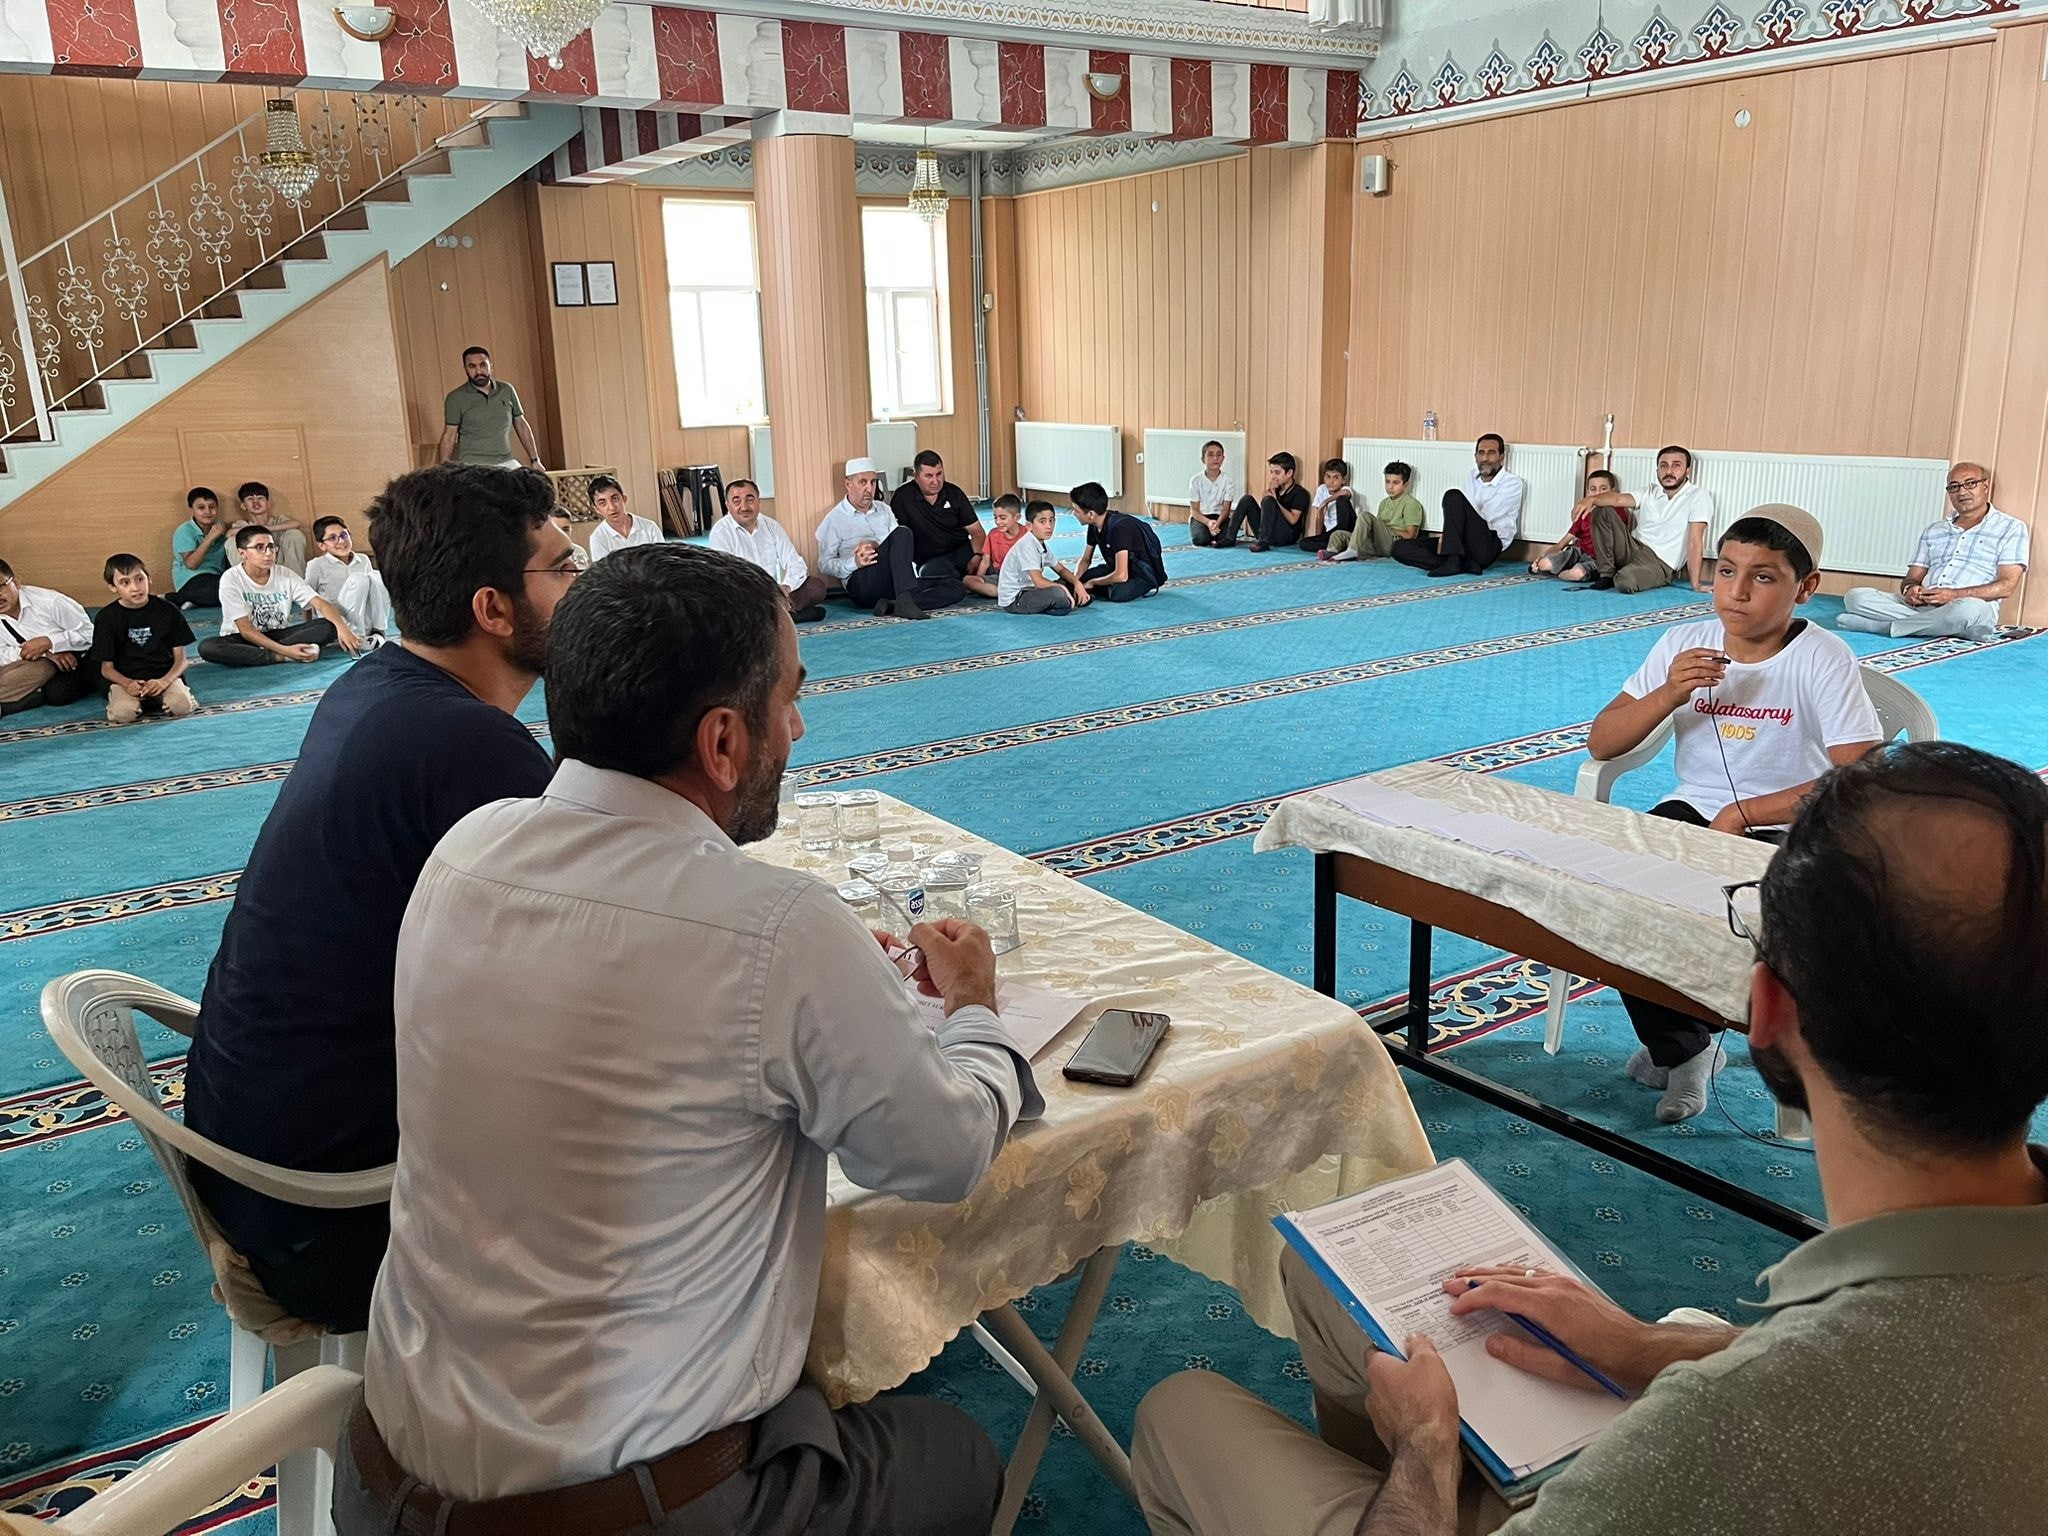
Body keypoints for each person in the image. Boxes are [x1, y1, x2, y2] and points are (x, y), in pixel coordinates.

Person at [1132, 741, 2048, 1536]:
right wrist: (1649, 1348)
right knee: (1325, 1276)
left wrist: (1424, 1451)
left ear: (1767, 1009)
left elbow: (1798, 1413)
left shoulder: (1736, 1428)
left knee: (1181, 1413)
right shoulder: (1847, 1364)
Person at [339, 543, 1042, 1536]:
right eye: (789, 699)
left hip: (382, 1484)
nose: (798, 728)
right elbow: (942, 1153)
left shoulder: (464, 849)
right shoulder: (776, 928)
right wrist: (972, 1007)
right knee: (956, 1451)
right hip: (617, 1515)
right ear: (722, 741)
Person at [183, 465, 575, 1332]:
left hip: (250, 1159)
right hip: (339, 1214)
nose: (583, 584)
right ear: (493, 608)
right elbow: (587, 973)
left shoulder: (376, 684)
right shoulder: (467, 745)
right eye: (563, 566)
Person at [1589, 504, 1881, 1121]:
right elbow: (1603, 743)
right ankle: (1687, 1047)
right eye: (1726, 571)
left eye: (1763, 576)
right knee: (1615, 890)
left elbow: (1860, 776)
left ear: (1806, 587)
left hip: (1793, 826)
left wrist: (1745, 813)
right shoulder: (1682, 643)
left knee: (1733, 913)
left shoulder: (1822, 656)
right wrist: (1669, 692)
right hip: (1695, 808)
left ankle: (1690, 1041)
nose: (1738, 592)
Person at [1839, 462, 2028, 643]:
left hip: (1968, 605)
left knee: (1966, 611)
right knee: (1855, 597)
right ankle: (1946, 628)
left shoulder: (2011, 528)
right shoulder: (1934, 530)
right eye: (1954, 487)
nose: (1962, 492)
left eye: (1970, 483)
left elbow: (2006, 586)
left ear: (1985, 486)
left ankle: (1883, 627)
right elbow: (1912, 578)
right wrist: (1910, 590)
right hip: (1923, 605)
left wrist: (1953, 595)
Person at [197, 525, 359, 667]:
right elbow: (245, 629)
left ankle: (262, 654)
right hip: (241, 638)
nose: (268, 553)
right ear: (242, 553)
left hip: (279, 634)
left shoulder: (284, 574)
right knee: (208, 647)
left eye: (271, 547)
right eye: (259, 547)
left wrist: (342, 628)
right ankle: (279, 656)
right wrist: (285, 651)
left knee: (328, 625)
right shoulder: (231, 578)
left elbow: (321, 603)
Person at [818, 457, 952, 620]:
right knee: (903, 532)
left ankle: (893, 604)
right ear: (848, 484)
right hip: (862, 583)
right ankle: (904, 601)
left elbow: (898, 550)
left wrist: (876, 545)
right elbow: (824, 564)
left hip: (893, 582)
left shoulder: (884, 510)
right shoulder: (835, 519)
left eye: (873, 482)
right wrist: (855, 562)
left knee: (954, 586)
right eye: (863, 482)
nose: (869, 489)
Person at [1567, 446, 1714, 593]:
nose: (1669, 472)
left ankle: (1615, 573)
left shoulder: (1698, 496)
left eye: (1676, 465)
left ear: (1687, 470)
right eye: (1663, 466)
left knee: (1624, 581)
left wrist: (1696, 584)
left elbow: (1695, 541)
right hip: (1633, 547)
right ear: (1657, 470)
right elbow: (1617, 499)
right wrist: (1591, 499)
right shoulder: (1650, 490)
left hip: (1659, 563)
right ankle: (1606, 574)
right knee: (1602, 510)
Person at [1393, 435, 1524, 577]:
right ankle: (1462, 563)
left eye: (1491, 453)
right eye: (1481, 453)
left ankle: (1453, 560)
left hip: (1487, 545)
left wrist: (1451, 535)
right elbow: (1461, 514)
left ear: (1501, 457)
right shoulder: (1472, 476)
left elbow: (1485, 515)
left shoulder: (1512, 483)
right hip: (1462, 544)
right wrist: (1449, 537)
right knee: (1399, 548)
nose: (1485, 458)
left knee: (1452, 496)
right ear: (1475, 457)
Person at [91, 554, 198, 724]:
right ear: (112, 587)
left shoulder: (167, 610)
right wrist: (127, 683)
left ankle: (165, 697)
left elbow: (181, 660)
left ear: (149, 579)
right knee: (123, 715)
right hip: (126, 680)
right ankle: (136, 701)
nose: (135, 588)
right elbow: (106, 669)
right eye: (125, 583)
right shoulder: (106, 617)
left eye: (139, 579)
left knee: (181, 707)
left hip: (164, 676)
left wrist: (164, 681)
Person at [707, 478, 828, 623]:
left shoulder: (772, 526)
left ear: (759, 502)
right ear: (728, 505)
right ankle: (786, 616)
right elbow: (726, 577)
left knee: (816, 587)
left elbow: (795, 562)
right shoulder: (721, 532)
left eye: (750, 500)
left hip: (773, 593)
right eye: (736, 501)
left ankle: (772, 616)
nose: (744, 507)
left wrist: (785, 588)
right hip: (743, 593)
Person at [0, 556, 97, 715]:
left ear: (16, 582)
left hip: (75, 658)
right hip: (28, 662)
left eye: (0, 587)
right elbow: (2, 654)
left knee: (57, 693)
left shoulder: (50, 601)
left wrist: (50, 642)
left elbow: (90, 634)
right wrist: (42, 652)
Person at [889, 449, 989, 596]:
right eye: (929, 476)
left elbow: (977, 532)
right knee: (932, 574)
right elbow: (898, 538)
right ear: (916, 476)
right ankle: (967, 584)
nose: (935, 482)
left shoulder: (954, 493)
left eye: (939, 474)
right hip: (931, 560)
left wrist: (977, 555)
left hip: (963, 551)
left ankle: (968, 583)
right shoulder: (903, 498)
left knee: (993, 563)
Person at [439, 345, 544, 470]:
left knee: (528, 480)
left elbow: (521, 425)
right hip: (472, 465)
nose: (478, 371)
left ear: (491, 366)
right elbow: (449, 436)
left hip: (506, 461)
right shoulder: (456, 398)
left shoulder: (507, 390)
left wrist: (535, 460)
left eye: (483, 365)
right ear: (465, 369)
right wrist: (443, 469)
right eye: (472, 366)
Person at [304, 516, 394, 642]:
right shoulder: (316, 565)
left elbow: (374, 594)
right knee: (359, 579)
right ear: (322, 546)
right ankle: (356, 636)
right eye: (332, 538)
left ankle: (378, 630)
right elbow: (307, 600)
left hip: (363, 619)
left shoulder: (363, 559)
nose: (341, 541)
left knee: (377, 577)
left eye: (344, 535)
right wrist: (308, 628)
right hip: (338, 623)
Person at [1073, 481, 1166, 602]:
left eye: (1076, 510)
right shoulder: (1094, 525)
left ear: (1091, 514)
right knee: (1083, 578)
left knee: (1118, 593)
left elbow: (1122, 575)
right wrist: (1075, 583)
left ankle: (1094, 589)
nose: (1074, 514)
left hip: (1141, 574)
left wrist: (1093, 583)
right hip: (1117, 567)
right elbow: (1086, 560)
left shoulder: (1119, 528)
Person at [1528, 469, 1625, 582]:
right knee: (1543, 564)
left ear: (1613, 491)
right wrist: (1539, 558)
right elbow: (1562, 543)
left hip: (1598, 558)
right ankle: (1566, 567)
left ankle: (1563, 573)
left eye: (1603, 489)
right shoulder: (1584, 513)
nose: (1598, 493)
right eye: (1593, 489)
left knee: (1577, 574)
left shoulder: (1617, 512)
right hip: (1579, 552)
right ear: (1588, 492)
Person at [998, 500, 1090, 615]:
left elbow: (1060, 569)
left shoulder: (1039, 543)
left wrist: (1077, 583)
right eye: (1042, 521)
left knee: (1069, 580)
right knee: (1058, 593)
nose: (1049, 526)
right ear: (1029, 526)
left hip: (1030, 590)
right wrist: (1063, 589)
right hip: (1016, 599)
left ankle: (1072, 598)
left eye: (1051, 520)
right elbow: (1039, 582)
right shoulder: (1027, 546)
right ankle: (1068, 601)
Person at [1328, 461, 1425, 563]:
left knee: (1365, 516)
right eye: (1387, 482)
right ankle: (1330, 553)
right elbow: (1377, 530)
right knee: (1338, 534)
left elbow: (1410, 536)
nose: (1390, 487)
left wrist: (1387, 529)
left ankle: (1353, 550)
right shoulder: (1384, 503)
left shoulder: (1411, 504)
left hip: (1393, 543)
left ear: (1405, 485)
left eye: (1395, 483)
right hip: (1378, 543)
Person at [1225, 452, 1313, 552]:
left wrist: (1273, 500)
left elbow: (1293, 520)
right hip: (1269, 532)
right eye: (1271, 472)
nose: (1273, 476)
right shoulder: (1276, 488)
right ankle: (1229, 538)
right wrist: (1269, 495)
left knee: (1269, 500)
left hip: (1286, 536)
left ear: (1289, 473)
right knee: (1247, 499)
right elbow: (1267, 514)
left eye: (1277, 473)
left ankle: (1263, 542)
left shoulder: (1299, 493)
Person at [172, 486, 233, 609]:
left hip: (215, 578)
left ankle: (194, 600)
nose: (207, 512)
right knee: (224, 591)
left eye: (212, 507)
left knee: (234, 589)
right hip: (191, 579)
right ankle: (175, 598)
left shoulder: (221, 528)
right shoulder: (185, 530)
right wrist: (210, 538)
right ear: (192, 511)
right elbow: (191, 564)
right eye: (201, 508)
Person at [231, 481, 309, 576]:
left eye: (260, 498)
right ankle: (248, 580)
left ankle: (295, 580)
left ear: (268, 503)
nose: (256, 502)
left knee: (295, 534)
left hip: (283, 565)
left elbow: (296, 523)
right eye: (250, 499)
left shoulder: (279, 520)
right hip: (257, 566)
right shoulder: (242, 524)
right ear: (243, 505)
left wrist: (265, 528)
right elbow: (229, 533)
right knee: (231, 542)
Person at [586, 474, 663, 561]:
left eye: (615, 499)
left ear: (624, 499)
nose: (612, 507)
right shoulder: (598, 538)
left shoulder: (649, 527)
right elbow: (603, 569)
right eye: (602, 503)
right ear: (596, 509)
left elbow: (662, 561)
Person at [1187, 440, 1239, 547]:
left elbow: (1226, 509)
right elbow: (1194, 510)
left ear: (1223, 458)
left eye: (1218, 455)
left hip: (1220, 517)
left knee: (1228, 539)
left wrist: (1217, 523)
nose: (1215, 458)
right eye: (1210, 455)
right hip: (1201, 517)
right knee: (1201, 540)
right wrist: (1209, 523)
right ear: (1203, 459)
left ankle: (1214, 533)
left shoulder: (1228, 480)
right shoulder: (1196, 481)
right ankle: (1209, 533)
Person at [1301, 458, 1357, 555]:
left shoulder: (1345, 489)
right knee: (1303, 543)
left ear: (1343, 480)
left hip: (1344, 530)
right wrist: (1318, 537)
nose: (1331, 481)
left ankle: (1340, 544)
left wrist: (1326, 501)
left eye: (1336, 478)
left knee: (1341, 500)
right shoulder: (1321, 489)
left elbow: (1345, 493)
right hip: (1330, 532)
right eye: (1328, 477)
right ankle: (1336, 546)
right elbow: (1319, 516)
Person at [985, 494, 1028, 576]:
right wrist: (978, 577)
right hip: (998, 574)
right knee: (968, 580)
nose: (997, 522)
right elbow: (985, 561)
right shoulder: (993, 534)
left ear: (1017, 517)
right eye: (995, 517)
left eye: (1003, 518)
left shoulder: (1027, 535)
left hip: (1020, 576)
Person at [550, 507, 592, 572]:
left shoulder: (579, 552)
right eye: (557, 530)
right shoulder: (540, 555)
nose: (562, 534)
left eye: (566, 529)